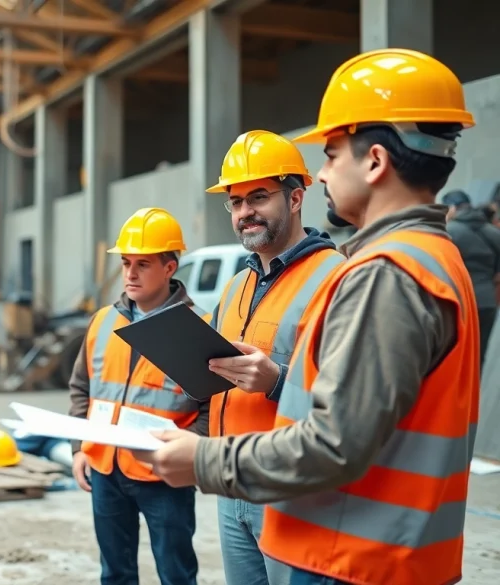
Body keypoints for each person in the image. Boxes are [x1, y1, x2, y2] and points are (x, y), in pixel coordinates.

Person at [132, 48, 481, 585]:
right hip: (367, 543)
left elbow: (334, 442)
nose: (322, 172)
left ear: (375, 161)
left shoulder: (383, 274)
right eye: (235, 201)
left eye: (332, 154)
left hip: (355, 553)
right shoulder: (431, 258)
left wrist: (203, 459)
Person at [202, 130, 344, 585]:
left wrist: (278, 381)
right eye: (236, 202)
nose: (245, 212)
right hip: (232, 482)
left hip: (293, 488)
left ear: (296, 198)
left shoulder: (336, 278)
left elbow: (351, 399)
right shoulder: (235, 287)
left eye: (259, 197)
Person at [67, 207, 209, 585]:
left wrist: (190, 452)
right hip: (105, 469)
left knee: (176, 575)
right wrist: (79, 448)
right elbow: (82, 388)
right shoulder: (102, 321)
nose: (130, 273)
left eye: (143, 264)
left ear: (169, 267)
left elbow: (214, 407)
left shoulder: (198, 329)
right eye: (126, 263)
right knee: (115, 574)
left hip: (164, 475)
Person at [442, 189, 500, 363]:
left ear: (452, 208)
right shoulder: (493, 232)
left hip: (458, 302)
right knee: (478, 355)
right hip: (487, 301)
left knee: (452, 356)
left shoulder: (448, 231)